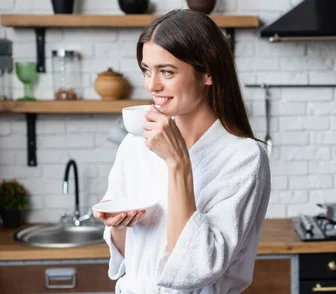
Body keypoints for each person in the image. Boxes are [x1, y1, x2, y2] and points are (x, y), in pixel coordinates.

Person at [92, 9, 271, 294]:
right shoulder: (134, 145)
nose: (152, 85)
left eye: (166, 72)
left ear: (208, 73)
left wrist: (177, 163)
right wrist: (118, 226)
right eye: (146, 70)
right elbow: (133, 260)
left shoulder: (245, 158)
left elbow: (195, 269)